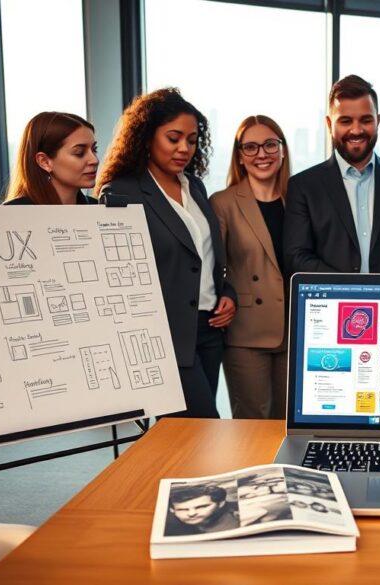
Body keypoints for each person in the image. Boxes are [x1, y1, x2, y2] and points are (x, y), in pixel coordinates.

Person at [96, 88, 236, 419]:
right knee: (203, 427)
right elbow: (116, 277)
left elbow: (207, 255)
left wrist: (226, 291)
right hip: (166, 337)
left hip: (209, 330)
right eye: (173, 138)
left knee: (190, 437)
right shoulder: (121, 193)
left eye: (191, 139)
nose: (184, 148)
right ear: (147, 136)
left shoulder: (195, 187)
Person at [284, 75, 380, 275]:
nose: (356, 130)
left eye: (365, 120)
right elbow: (296, 256)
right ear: (330, 124)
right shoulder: (303, 186)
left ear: (378, 121)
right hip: (331, 302)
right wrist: (350, 290)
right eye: (345, 121)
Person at [210, 115, 291, 420]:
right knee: (252, 423)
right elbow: (213, 266)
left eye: (270, 145)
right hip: (246, 330)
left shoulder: (299, 198)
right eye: (251, 147)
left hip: (295, 328)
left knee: (291, 423)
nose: (262, 154)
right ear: (240, 157)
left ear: (282, 151)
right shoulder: (223, 202)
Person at [3, 111, 98, 205]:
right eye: (79, 153)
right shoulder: (10, 214)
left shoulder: (100, 209)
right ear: (44, 162)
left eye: (94, 149)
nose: (95, 160)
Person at [165, 482, 240, 536]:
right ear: (172, 509)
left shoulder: (237, 518)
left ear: (221, 503)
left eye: (202, 507)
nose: (191, 514)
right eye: (182, 509)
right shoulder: (167, 525)